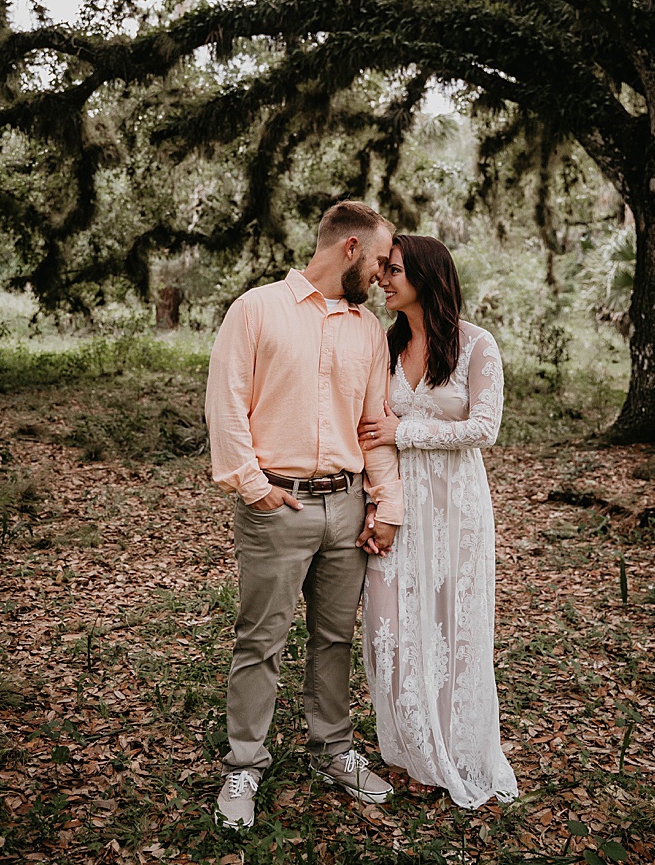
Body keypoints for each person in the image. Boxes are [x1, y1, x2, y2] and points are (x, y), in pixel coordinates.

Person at [204, 200, 404, 829]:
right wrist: (254, 487)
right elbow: (226, 403)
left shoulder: (368, 330)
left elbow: (374, 428)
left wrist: (383, 502)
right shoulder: (257, 309)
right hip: (277, 505)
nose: (381, 275)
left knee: (335, 636)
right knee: (261, 639)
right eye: (376, 261)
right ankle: (244, 763)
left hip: (347, 506)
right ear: (349, 249)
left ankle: (334, 749)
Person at [358, 234, 519, 807]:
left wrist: (406, 432)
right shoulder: (384, 346)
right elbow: (368, 430)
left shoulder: (477, 346)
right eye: (383, 270)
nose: (383, 279)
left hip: (457, 509)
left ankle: (447, 753)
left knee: (450, 628)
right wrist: (378, 505)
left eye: (394, 270)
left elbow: (484, 428)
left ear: (426, 277)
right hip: (400, 507)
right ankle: (409, 747)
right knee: (393, 629)